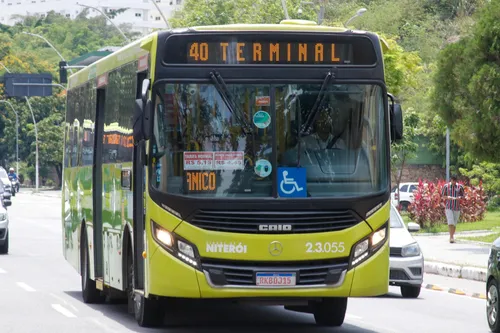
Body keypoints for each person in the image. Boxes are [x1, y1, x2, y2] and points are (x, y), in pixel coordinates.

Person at [441, 175, 464, 243]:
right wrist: (448, 197)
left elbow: (463, 196)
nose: (454, 182)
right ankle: (451, 237)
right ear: (451, 180)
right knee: (450, 222)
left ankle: (452, 236)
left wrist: (459, 198)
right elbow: (443, 196)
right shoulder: (446, 186)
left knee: (454, 223)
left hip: (457, 207)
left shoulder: (460, 187)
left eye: (455, 181)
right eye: (452, 180)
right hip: (449, 207)